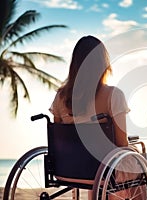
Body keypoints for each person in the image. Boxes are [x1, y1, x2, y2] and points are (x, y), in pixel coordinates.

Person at [49, 35, 132, 199]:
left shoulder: (60, 97)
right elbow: (121, 143)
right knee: (140, 167)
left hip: (67, 170)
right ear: (103, 64)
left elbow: (60, 139)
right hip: (102, 171)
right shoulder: (113, 95)